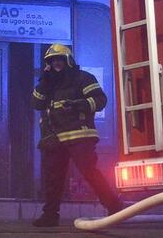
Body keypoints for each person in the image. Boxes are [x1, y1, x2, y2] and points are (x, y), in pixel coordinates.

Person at [32, 43, 122, 227]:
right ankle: (50, 215)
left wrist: (78, 104)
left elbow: (100, 100)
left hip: (79, 135)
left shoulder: (83, 78)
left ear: (68, 60)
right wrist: (44, 81)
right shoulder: (48, 82)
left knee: (89, 172)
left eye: (60, 59)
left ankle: (114, 207)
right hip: (54, 137)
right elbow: (37, 104)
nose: (56, 63)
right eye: (52, 60)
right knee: (53, 178)